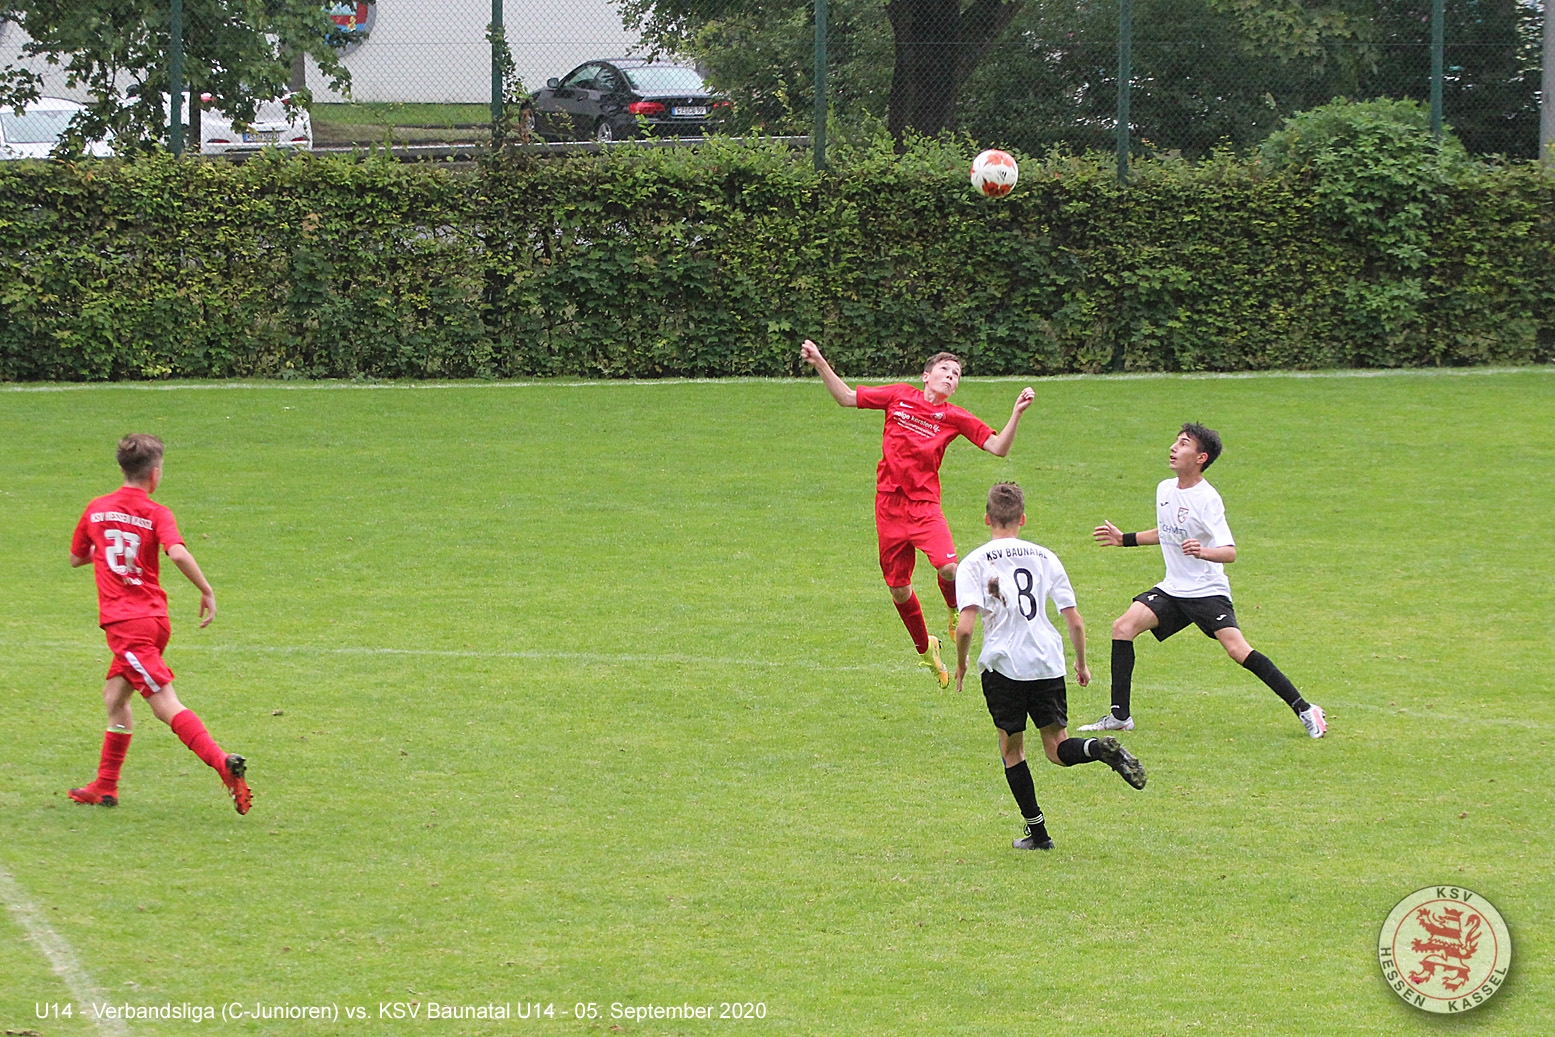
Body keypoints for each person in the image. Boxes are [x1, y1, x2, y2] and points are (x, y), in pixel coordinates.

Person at [801, 338, 1035, 687]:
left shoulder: (954, 417)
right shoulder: (898, 395)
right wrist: (820, 362)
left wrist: (1016, 413)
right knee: (899, 589)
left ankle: (953, 610)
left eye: (957, 375)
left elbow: (998, 447)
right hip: (889, 506)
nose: (951, 377)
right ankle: (927, 650)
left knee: (950, 568)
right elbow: (847, 397)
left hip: (924, 507)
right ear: (926, 376)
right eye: (946, 370)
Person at [1083, 422, 1326, 739]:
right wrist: (1125, 539)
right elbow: (1167, 531)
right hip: (1173, 588)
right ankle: (1120, 717)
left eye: (1183, 443)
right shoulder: (1165, 490)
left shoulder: (1208, 499)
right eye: (1176, 441)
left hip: (1206, 591)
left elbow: (1230, 552)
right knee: (1123, 627)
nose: (1174, 448)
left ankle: (1305, 709)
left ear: (1201, 458)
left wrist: (1203, 551)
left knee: (1237, 650)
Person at [954, 482, 1146, 851]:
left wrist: (962, 663)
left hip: (1004, 664)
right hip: (1047, 660)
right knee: (1058, 748)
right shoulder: (1045, 557)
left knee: (1012, 750)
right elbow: (1074, 621)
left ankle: (1039, 834)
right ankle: (1098, 749)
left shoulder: (974, 562)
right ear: (1023, 519)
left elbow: (965, 627)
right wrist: (1081, 663)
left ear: (987, 519)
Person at [67, 434, 252, 813]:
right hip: (153, 620)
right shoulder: (157, 513)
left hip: (125, 625)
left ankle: (222, 763)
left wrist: (106, 551)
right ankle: (105, 785)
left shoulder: (96, 509)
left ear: (122, 468)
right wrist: (206, 589)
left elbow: (77, 557)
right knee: (115, 698)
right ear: (154, 474)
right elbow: (177, 553)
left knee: (164, 703)